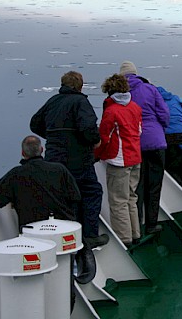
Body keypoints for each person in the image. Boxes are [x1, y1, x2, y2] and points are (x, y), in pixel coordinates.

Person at [30, 70, 107, 248]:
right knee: (91, 192)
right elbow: (88, 127)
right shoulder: (80, 102)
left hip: (53, 160)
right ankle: (89, 235)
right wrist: (94, 140)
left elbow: (35, 124)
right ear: (80, 86)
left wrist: (53, 137)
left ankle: (65, 236)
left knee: (63, 196)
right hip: (79, 159)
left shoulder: (52, 102)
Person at [0, 135, 81, 230]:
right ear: (41, 150)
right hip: (63, 227)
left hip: (32, 231)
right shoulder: (60, 169)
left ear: (23, 153)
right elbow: (76, 196)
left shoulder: (15, 175)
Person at [120, 61, 169, 234]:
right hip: (156, 141)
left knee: (137, 186)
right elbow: (164, 113)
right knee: (154, 185)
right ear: (136, 73)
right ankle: (151, 225)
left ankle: (137, 226)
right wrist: (159, 128)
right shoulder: (150, 89)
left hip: (135, 144)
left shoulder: (121, 93)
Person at [95, 74, 143, 248]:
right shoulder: (135, 107)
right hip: (135, 157)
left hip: (119, 160)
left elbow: (104, 137)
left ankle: (124, 238)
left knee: (118, 201)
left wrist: (97, 155)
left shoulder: (112, 111)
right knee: (131, 197)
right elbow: (139, 131)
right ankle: (135, 233)